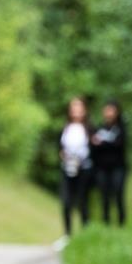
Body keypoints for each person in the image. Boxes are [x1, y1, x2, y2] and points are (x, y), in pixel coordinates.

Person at [58, 96, 93, 239]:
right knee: (66, 201)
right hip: (68, 168)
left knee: (83, 201)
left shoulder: (89, 128)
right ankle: (67, 234)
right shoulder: (66, 127)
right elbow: (60, 147)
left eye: (79, 107)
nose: (76, 110)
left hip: (83, 168)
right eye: (73, 107)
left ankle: (85, 235)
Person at [91, 100, 128, 226]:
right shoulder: (99, 128)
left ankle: (121, 223)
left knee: (118, 193)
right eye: (107, 110)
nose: (109, 113)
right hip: (102, 168)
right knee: (104, 195)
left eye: (111, 110)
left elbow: (120, 145)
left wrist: (103, 144)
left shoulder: (121, 128)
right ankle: (105, 222)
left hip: (118, 167)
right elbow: (94, 146)